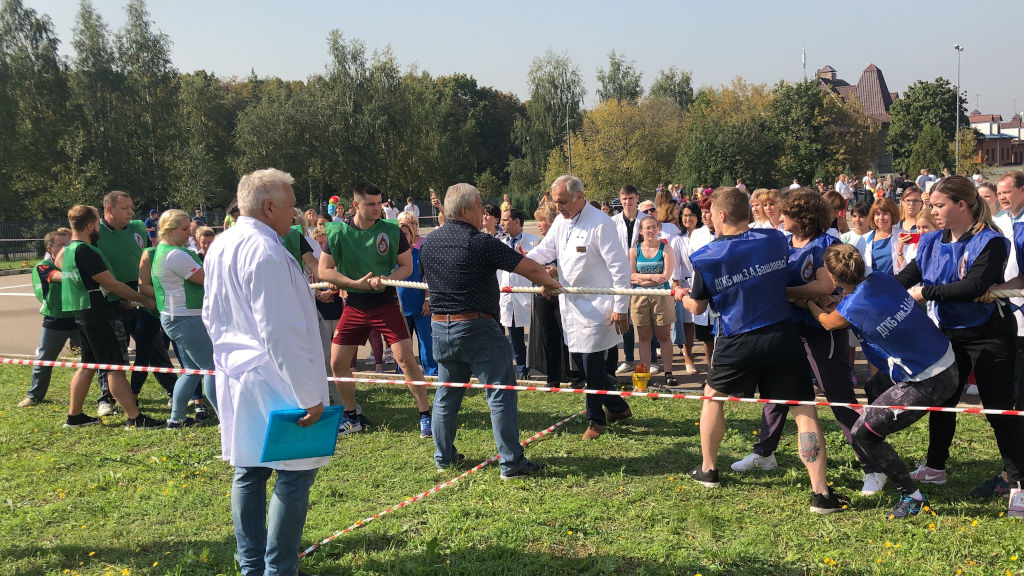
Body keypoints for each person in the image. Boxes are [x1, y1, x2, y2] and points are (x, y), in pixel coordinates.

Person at [673, 187, 848, 513]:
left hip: (736, 340)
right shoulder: (774, 241)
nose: (708, 217)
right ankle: (821, 494)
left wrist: (679, 295)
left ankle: (709, 469)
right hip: (781, 337)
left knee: (713, 399)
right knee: (804, 413)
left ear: (720, 215)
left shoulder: (706, 256)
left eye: (710, 212)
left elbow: (696, 308)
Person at [202, 168, 329, 576]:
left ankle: (252, 566)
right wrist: (309, 391)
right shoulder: (266, 251)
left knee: (250, 470)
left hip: (239, 372)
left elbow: (211, 314)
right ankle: (279, 569)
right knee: (294, 473)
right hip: (275, 376)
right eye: (292, 206)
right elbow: (281, 331)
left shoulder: (222, 244)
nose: (297, 215)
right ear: (269, 206)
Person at [732, 189, 883, 495]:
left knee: (838, 397)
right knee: (777, 391)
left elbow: (826, 284)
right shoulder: (783, 242)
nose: (779, 215)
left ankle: (875, 466)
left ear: (802, 217)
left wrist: (787, 292)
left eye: (785, 212)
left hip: (821, 331)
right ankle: (765, 454)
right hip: (787, 327)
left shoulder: (827, 244)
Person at [895, 176, 1024, 511]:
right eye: (931, 205)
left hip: (990, 336)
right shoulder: (930, 241)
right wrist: (868, 288)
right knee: (943, 402)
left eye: (939, 205)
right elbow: (907, 277)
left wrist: (927, 293)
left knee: (999, 411)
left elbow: (975, 285)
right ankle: (935, 468)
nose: (932, 211)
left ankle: (1018, 481)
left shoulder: (990, 241)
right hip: (950, 334)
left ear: (961, 205)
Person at [806, 244, 958, 518]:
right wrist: (839, 302)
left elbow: (829, 322)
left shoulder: (851, 306)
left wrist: (809, 303)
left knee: (863, 434)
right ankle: (886, 438)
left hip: (929, 380)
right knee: (874, 387)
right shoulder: (882, 279)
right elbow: (859, 304)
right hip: (945, 359)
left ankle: (912, 497)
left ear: (832, 276)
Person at [420, 183, 560, 478]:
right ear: (468, 209)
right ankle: (511, 463)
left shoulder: (430, 242)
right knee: (500, 393)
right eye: (481, 205)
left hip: (440, 328)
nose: (484, 211)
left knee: (446, 394)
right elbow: (528, 267)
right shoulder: (479, 242)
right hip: (477, 327)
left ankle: (443, 457)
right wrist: (549, 283)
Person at [318, 182, 432, 437]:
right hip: (354, 305)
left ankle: (426, 415)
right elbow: (323, 270)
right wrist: (351, 284)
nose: (377, 208)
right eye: (371, 204)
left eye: (379, 203)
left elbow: (406, 266)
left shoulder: (391, 230)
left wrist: (386, 277)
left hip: (385, 304)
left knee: (405, 359)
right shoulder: (336, 231)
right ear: (356, 205)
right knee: (337, 362)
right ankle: (351, 416)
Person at [526, 175, 633, 441]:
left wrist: (621, 307)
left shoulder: (601, 223)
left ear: (579, 196)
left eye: (562, 201)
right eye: (555, 202)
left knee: (591, 364)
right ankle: (618, 407)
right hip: (572, 305)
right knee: (585, 365)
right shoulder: (562, 222)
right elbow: (545, 251)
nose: (558, 207)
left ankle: (596, 421)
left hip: (599, 307)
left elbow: (620, 269)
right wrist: (521, 263)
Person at [59, 205, 160, 428]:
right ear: (89, 226)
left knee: (88, 365)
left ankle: (74, 416)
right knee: (115, 366)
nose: (99, 229)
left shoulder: (68, 250)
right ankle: (134, 417)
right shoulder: (85, 250)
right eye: (97, 224)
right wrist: (143, 299)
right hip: (100, 316)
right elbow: (111, 283)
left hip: (84, 313)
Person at [95, 191, 176, 415]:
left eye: (131, 207)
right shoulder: (96, 232)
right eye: (124, 208)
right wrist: (120, 296)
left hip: (140, 293)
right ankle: (107, 397)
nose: (130, 212)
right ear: (109, 209)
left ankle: (174, 391)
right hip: (113, 296)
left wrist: (145, 292)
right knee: (113, 352)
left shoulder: (138, 226)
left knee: (154, 346)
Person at [151, 209, 218, 428]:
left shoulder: (164, 251)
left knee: (192, 371)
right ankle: (226, 418)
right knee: (211, 368)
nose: (189, 234)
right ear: (169, 229)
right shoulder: (176, 254)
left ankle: (176, 418)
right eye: (184, 229)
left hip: (176, 316)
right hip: (186, 317)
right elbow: (205, 279)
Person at [18, 229, 79, 407]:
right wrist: (80, 275)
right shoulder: (43, 266)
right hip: (55, 321)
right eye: (61, 245)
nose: (65, 249)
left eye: (69, 245)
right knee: (44, 360)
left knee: (96, 359)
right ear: (49, 248)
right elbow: (56, 277)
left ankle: (106, 399)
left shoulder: (76, 263)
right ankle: (34, 395)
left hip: (79, 317)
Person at [526, 203, 570, 386]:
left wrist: (556, 272)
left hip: (562, 296)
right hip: (542, 297)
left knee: (566, 335)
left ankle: (572, 376)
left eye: (541, 220)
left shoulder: (565, 243)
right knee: (548, 337)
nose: (538, 224)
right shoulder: (537, 244)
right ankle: (553, 379)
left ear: (552, 222)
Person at [629, 218, 676, 385]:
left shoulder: (666, 249)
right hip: (639, 297)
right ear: (641, 230)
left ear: (658, 229)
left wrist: (643, 280)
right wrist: (651, 277)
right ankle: (645, 373)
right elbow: (631, 276)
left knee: (664, 335)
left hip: (661, 296)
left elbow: (665, 276)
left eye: (654, 227)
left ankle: (668, 372)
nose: (651, 231)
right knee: (644, 336)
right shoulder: (634, 251)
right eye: (647, 228)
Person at [611, 185, 650, 373]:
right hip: (620, 274)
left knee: (644, 318)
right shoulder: (613, 221)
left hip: (642, 273)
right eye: (624, 199)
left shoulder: (646, 220)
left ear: (637, 199)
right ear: (620, 200)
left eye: (631, 198)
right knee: (624, 316)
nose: (628, 202)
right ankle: (628, 358)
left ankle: (649, 360)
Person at [498, 208, 538, 379]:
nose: (502, 223)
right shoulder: (498, 242)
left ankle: (530, 368)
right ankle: (520, 369)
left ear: (516, 221)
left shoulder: (533, 242)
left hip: (526, 294)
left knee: (535, 334)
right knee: (513, 336)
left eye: (505, 220)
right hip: (505, 295)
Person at [395, 211, 437, 377]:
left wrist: (427, 300)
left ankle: (431, 372)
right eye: (400, 234)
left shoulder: (420, 253)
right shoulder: (391, 257)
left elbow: (428, 278)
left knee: (426, 341)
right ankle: (402, 372)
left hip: (420, 305)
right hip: (400, 307)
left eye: (406, 233)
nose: (403, 236)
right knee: (402, 344)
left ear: (412, 235)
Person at [863, 198, 901, 275]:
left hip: (897, 284)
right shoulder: (863, 239)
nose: (881, 218)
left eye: (885, 213)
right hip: (872, 285)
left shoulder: (903, 236)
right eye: (877, 214)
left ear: (893, 215)